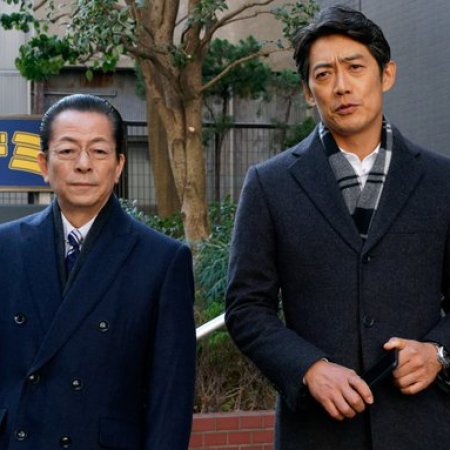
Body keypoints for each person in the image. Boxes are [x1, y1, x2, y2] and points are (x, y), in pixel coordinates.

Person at [226, 5, 450, 450]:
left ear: (386, 75)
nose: (341, 86)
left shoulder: (441, 180)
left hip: (421, 427)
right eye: (324, 74)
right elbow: (246, 307)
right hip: (316, 431)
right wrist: (308, 368)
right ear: (309, 92)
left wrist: (438, 353)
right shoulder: (270, 184)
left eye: (355, 68)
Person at [0, 94, 196, 449]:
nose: (83, 164)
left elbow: (170, 399)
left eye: (99, 151)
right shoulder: (6, 248)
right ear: (43, 164)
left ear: (119, 166)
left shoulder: (162, 260)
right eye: (67, 150)